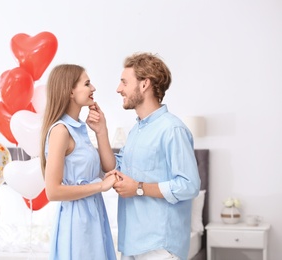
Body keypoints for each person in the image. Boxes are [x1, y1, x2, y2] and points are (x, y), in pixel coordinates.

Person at [87, 52, 201, 260]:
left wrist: (138, 188)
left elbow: (189, 185)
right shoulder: (137, 130)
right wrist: (101, 131)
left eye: (124, 82)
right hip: (132, 243)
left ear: (144, 84)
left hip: (160, 247)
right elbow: (115, 166)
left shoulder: (172, 129)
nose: (118, 89)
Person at [40, 64, 118, 260]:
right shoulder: (61, 131)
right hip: (77, 220)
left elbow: (109, 167)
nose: (93, 89)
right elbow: (53, 191)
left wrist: (101, 131)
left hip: (93, 214)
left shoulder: (80, 129)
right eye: (87, 83)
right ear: (70, 92)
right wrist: (100, 186)